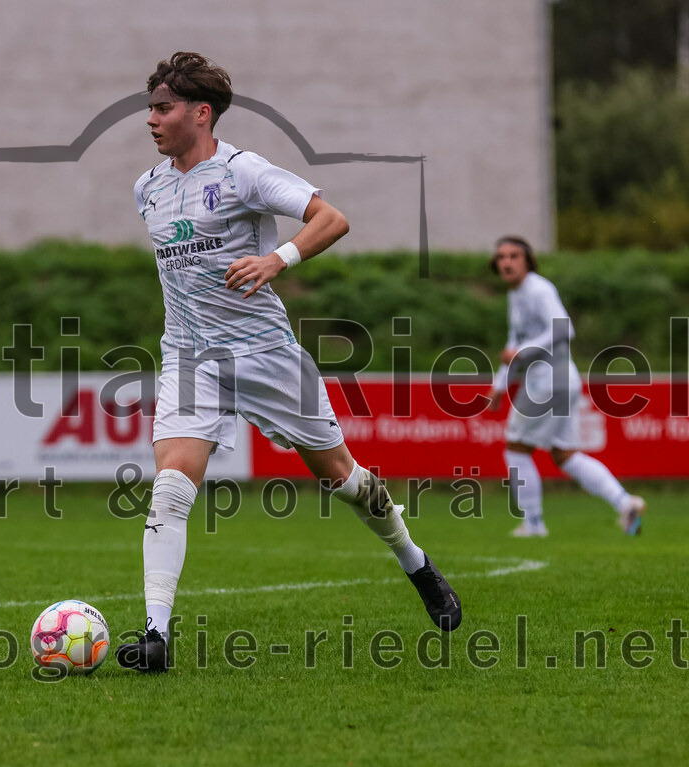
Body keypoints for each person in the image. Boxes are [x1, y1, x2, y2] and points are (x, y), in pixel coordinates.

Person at [115, 52, 461, 674]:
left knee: (344, 480)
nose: (151, 119)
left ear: (201, 112)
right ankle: (155, 637)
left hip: (265, 354)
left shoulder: (245, 171)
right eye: (150, 108)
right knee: (169, 489)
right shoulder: (149, 187)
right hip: (189, 357)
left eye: (163, 108)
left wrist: (278, 260)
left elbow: (332, 219)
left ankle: (417, 564)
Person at [488, 235, 646, 538]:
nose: (506, 262)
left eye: (513, 256)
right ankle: (626, 503)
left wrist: (523, 352)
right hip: (561, 380)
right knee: (565, 455)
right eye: (501, 257)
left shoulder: (538, 288)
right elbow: (514, 341)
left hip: (546, 382)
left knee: (516, 449)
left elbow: (564, 328)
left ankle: (533, 524)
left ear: (527, 260)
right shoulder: (517, 294)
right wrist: (500, 384)